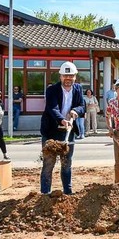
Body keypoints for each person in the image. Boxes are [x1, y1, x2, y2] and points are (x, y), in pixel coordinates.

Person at [39, 62, 85, 195]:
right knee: (48, 164)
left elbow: (82, 105)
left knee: (66, 163)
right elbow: (52, 108)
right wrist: (62, 120)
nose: (68, 79)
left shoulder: (78, 89)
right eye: (65, 75)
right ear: (60, 76)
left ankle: (68, 192)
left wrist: (76, 111)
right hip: (51, 131)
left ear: (75, 76)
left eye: (71, 76)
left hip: (68, 132)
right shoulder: (52, 90)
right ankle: (45, 193)